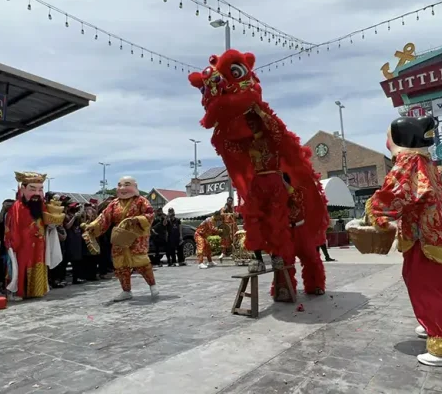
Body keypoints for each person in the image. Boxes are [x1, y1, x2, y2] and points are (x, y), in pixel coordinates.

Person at [187, 49, 328, 275]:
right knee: (252, 219)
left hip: (274, 181)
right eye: (249, 124)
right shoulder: (244, 144)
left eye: (254, 124)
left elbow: (278, 131)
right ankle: (258, 258)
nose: (251, 127)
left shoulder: (272, 138)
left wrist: (258, 111)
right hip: (257, 184)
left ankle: (278, 256)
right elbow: (227, 144)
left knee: (277, 219)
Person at [365, 117, 442, 368]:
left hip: (423, 236)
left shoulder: (409, 161)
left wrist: (374, 214)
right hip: (430, 235)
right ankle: (430, 324)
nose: (386, 141)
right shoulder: (427, 162)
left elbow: (395, 193)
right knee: (428, 284)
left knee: (423, 287)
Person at [82, 176, 158, 302]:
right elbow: (104, 218)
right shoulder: (114, 204)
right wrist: (92, 226)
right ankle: (126, 290)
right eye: (120, 185)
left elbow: (150, 215)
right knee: (120, 265)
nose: (122, 188)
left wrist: (137, 219)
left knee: (142, 263)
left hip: (136, 237)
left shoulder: (141, 201)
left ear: (134, 187)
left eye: (126, 185)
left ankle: (152, 285)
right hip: (119, 236)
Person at [271, 173, 326, 301]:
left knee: (311, 257)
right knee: (284, 261)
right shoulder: (277, 197)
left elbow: (296, 200)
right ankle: (284, 289)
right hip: (286, 232)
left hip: (302, 230)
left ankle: (316, 285)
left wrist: (285, 185)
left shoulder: (299, 192)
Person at [4, 171, 52, 301]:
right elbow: (12, 227)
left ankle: (36, 290)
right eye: (32, 189)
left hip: (39, 244)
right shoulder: (17, 207)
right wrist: (14, 243)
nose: (37, 193)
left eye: (40, 190)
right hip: (22, 244)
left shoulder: (42, 207)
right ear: (23, 189)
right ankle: (17, 291)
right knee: (19, 266)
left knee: (38, 264)